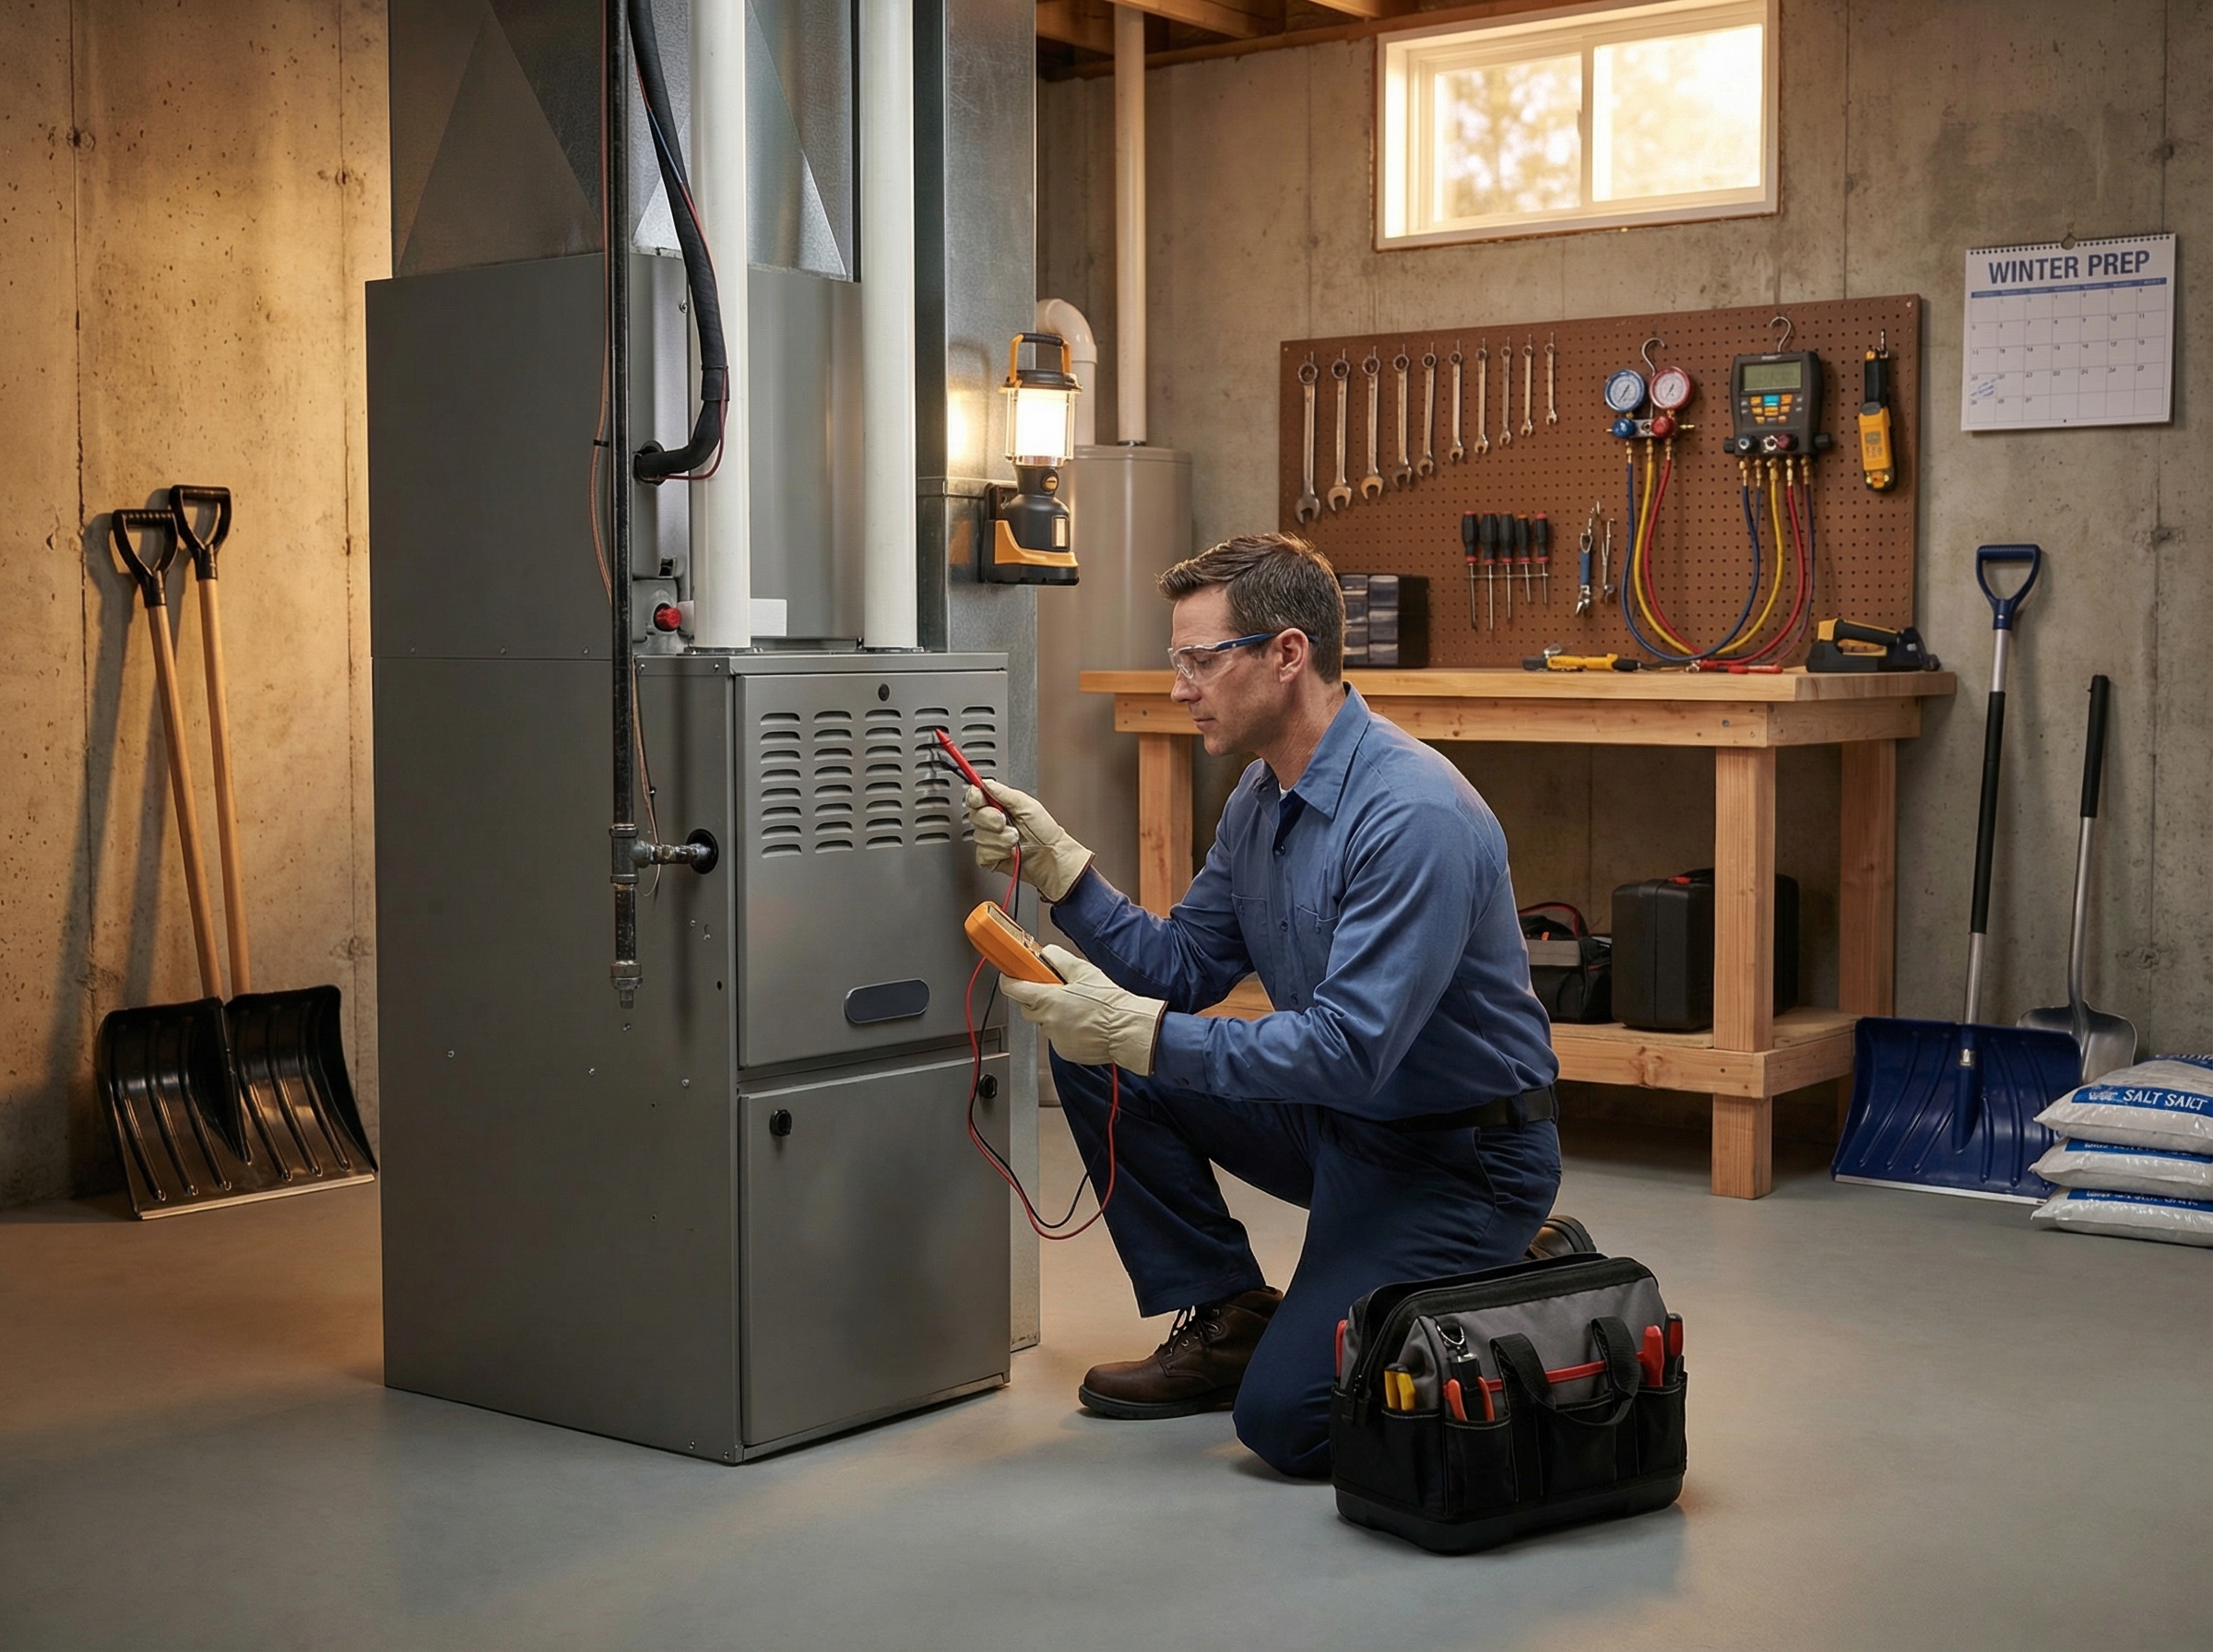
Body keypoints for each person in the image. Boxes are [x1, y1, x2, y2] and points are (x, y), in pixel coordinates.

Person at [963, 532, 1563, 1479]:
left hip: (1456, 1160)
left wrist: (1144, 1031)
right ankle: (1235, 1313)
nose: (1181, 687)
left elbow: (1345, 1050)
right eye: (1178, 662)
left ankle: (1515, 1268)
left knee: (1289, 1424)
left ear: (1287, 655)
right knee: (1096, 1054)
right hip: (1342, 1127)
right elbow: (1185, 966)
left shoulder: (1412, 816)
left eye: (1201, 660)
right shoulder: (1258, 798)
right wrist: (1065, 873)